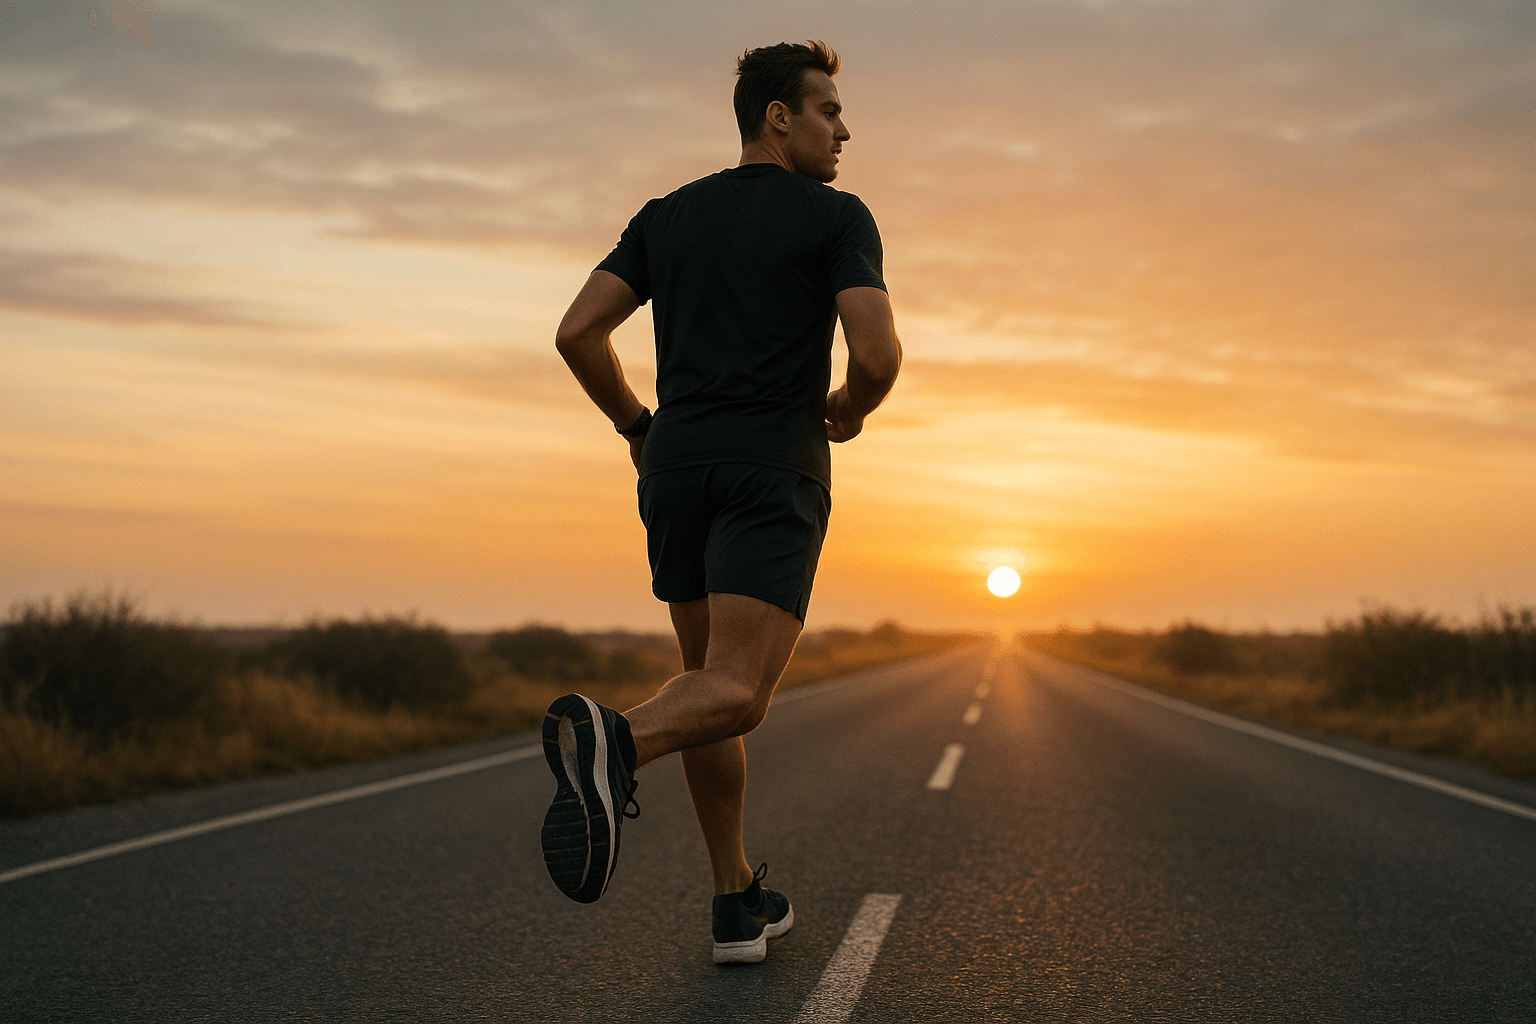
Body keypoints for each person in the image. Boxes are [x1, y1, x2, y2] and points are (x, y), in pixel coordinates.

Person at [542, 39, 902, 965]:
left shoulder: (665, 216)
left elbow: (579, 331)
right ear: (778, 116)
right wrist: (850, 411)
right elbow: (876, 356)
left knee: (704, 682)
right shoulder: (836, 217)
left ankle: (734, 900)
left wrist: (636, 427)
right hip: (769, 470)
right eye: (829, 110)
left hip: (674, 472)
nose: (843, 128)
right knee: (738, 695)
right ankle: (615, 742)